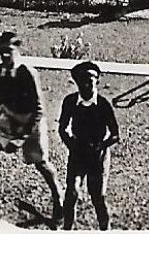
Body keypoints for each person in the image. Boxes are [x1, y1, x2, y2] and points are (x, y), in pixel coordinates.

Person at [0, 32, 61, 224]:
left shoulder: (28, 73)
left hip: (31, 121)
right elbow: (0, 99)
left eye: (9, 51)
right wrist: (2, 116)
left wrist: (20, 139)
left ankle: (59, 199)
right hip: (10, 117)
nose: (5, 55)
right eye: (1, 51)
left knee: (40, 163)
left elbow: (38, 110)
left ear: (17, 49)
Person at [58, 60, 120, 230]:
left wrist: (101, 146)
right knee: (71, 194)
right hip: (78, 153)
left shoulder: (103, 105)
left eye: (91, 79)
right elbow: (62, 128)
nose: (87, 83)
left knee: (97, 197)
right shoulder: (70, 102)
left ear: (97, 81)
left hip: (98, 156)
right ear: (77, 82)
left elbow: (115, 134)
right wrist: (72, 145)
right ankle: (67, 230)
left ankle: (104, 230)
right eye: (82, 80)